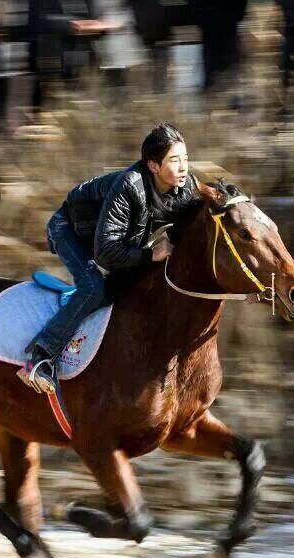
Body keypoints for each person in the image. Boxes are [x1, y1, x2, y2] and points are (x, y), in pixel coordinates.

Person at [19, 122, 202, 392]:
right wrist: (151, 254)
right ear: (153, 165)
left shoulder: (186, 187)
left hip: (118, 241)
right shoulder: (130, 186)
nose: (184, 166)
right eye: (174, 160)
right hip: (69, 231)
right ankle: (41, 356)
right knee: (94, 288)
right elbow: (106, 253)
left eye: (185, 158)